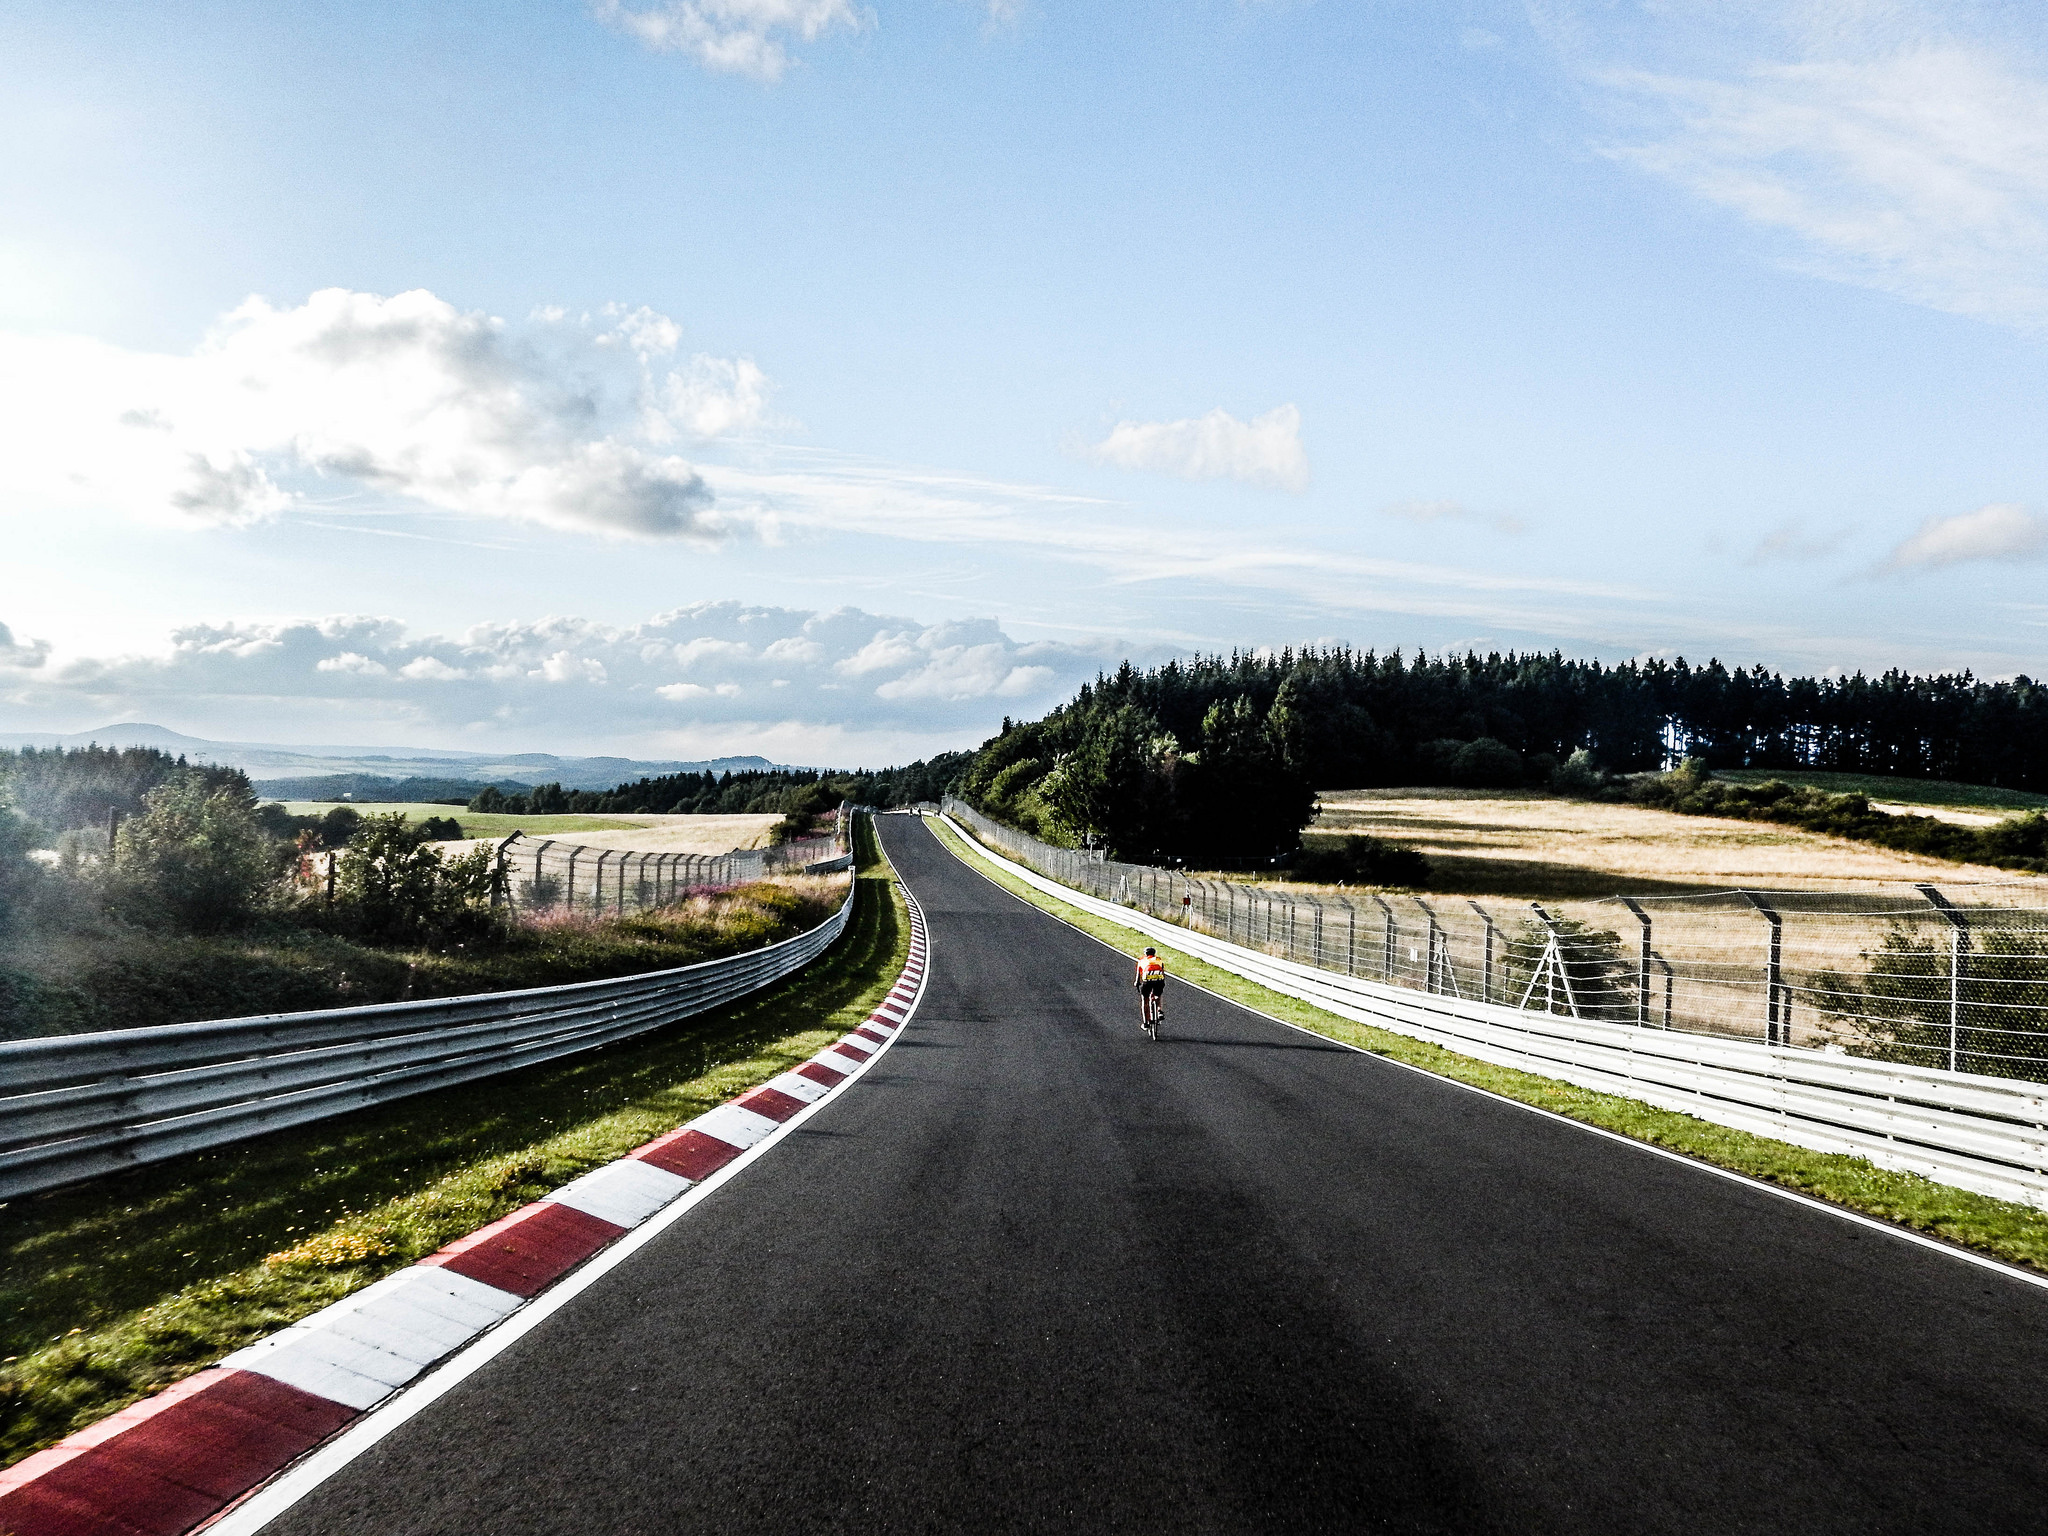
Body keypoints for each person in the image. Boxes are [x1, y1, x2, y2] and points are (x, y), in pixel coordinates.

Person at [1134, 945, 1166, 1033]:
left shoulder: (1141, 961)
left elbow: (1137, 978)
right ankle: (1159, 1010)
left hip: (1147, 981)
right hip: (1159, 980)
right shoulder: (1159, 960)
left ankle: (1145, 1023)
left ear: (1145, 954)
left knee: (1145, 1000)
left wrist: (1137, 984)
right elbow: (1162, 972)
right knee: (1158, 995)